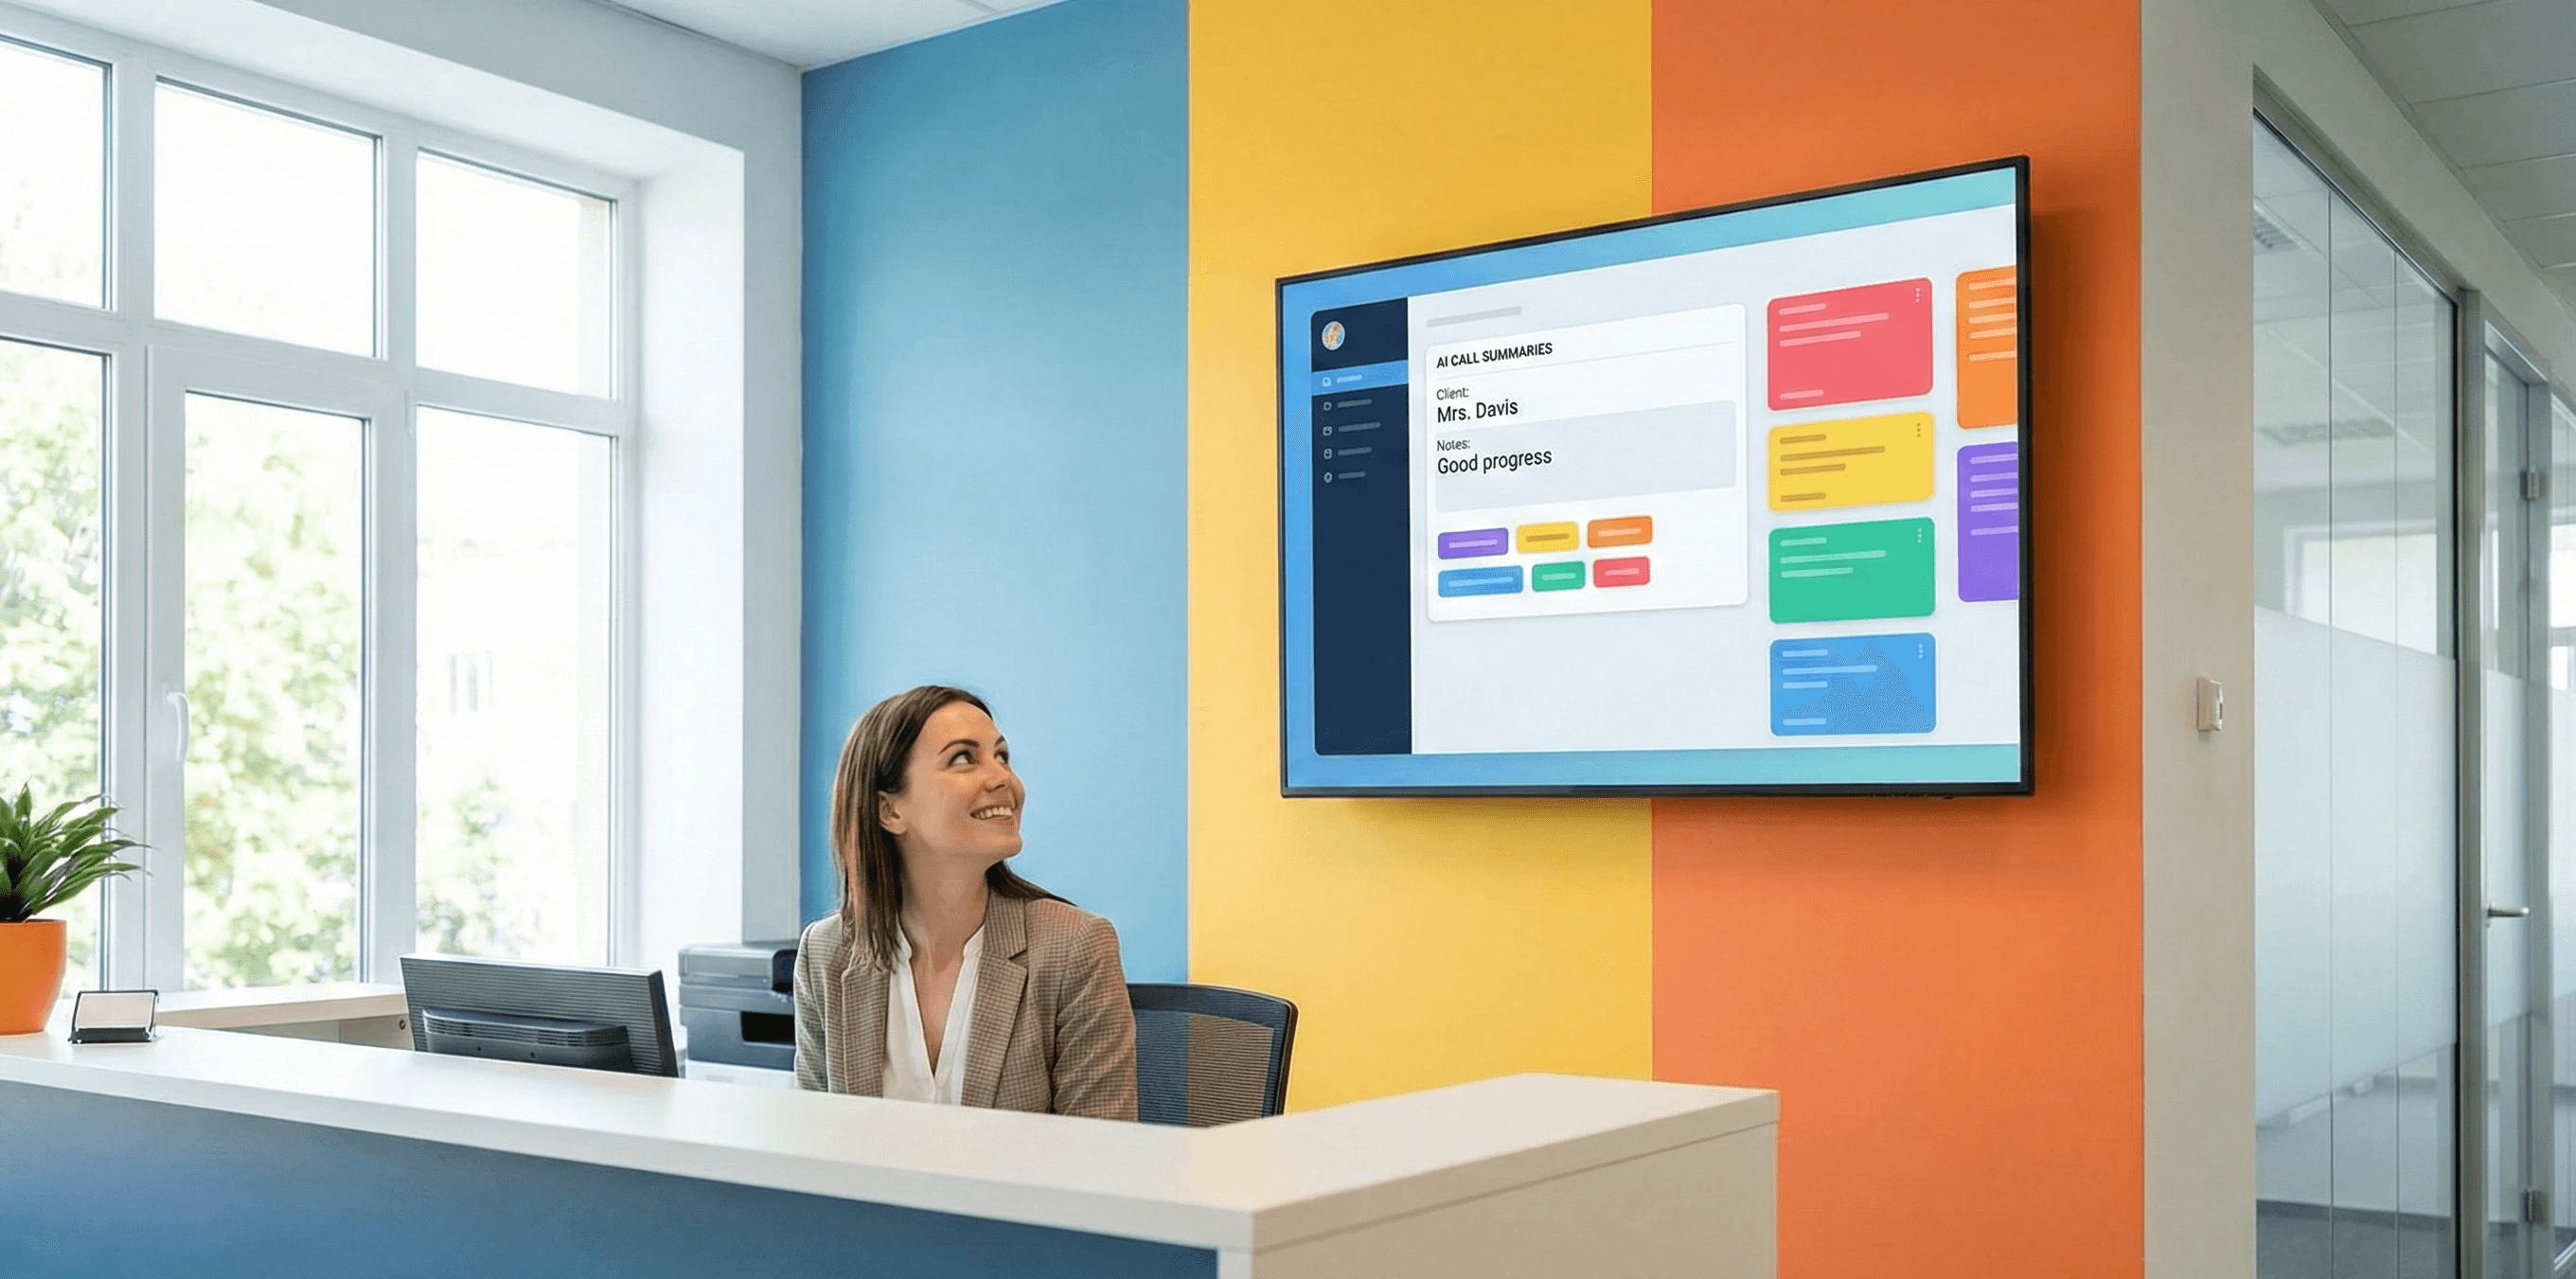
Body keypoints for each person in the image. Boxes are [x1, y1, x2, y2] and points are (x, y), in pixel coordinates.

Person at [792, 684, 1137, 1119]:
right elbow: (816, 1140)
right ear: (890, 811)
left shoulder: (1074, 948)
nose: (1003, 779)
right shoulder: (826, 954)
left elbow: (1099, 1150)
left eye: (1002, 756)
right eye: (963, 758)